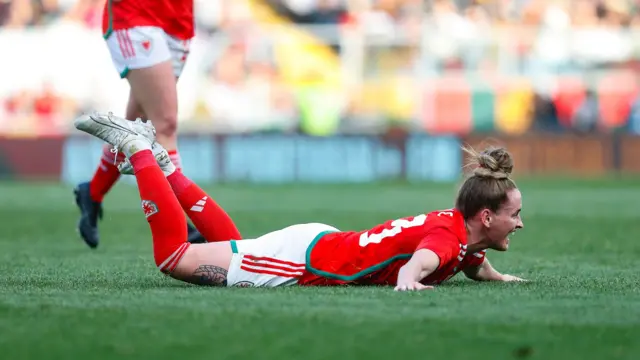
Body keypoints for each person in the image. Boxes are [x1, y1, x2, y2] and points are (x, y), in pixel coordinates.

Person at [74, 112, 526, 290]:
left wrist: (500, 277)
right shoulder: (448, 240)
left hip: (318, 240)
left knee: (236, 246)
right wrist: (411, 284)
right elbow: (420, 264)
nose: (520, 224)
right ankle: (135, 149)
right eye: (515, 215)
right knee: (174, 257)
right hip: (304, 264)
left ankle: (164, 167)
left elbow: (468, 259)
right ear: (485, 216)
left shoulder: (460, 231)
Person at [73, 0, 205, 249]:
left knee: (138, 125)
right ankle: (179, 221)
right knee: (164, 124)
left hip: (178, 16)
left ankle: (92, 193)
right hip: (136, 12)